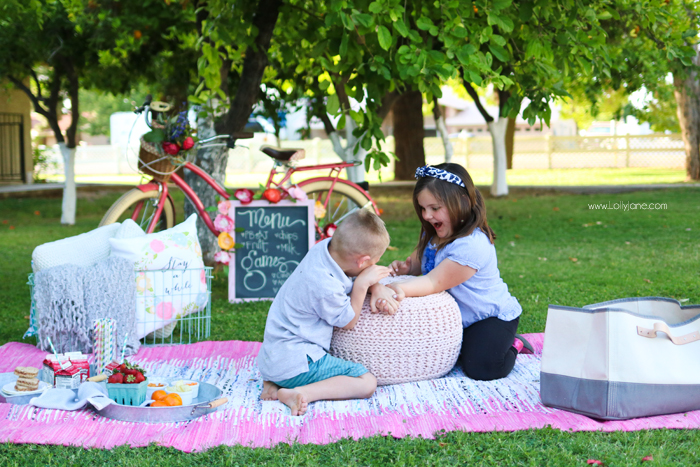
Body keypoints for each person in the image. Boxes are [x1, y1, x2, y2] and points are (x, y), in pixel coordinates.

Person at [386, 163, 532, 381]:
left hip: (488, 317)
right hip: (454, 319)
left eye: (434, 208)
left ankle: (514, 345)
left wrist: (395, 288)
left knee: (482, 367)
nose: (426, 215)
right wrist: (407, 268)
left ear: (462, 202)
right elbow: (423, 262)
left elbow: (433, 283)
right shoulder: (436, 234)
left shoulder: (471, 246)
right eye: (423, 208)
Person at [257, 209, 398, 415]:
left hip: (273, 359)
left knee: (285, 370)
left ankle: (274, 384)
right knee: (367, 382)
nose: (373, 266)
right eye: (373, 262)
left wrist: (374, 286)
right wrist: (362, 284)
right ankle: (300, 392)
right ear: (362, 262)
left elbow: (347, 277)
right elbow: (347, 321)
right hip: (298, 363)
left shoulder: (324, 250)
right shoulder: (325, 286)